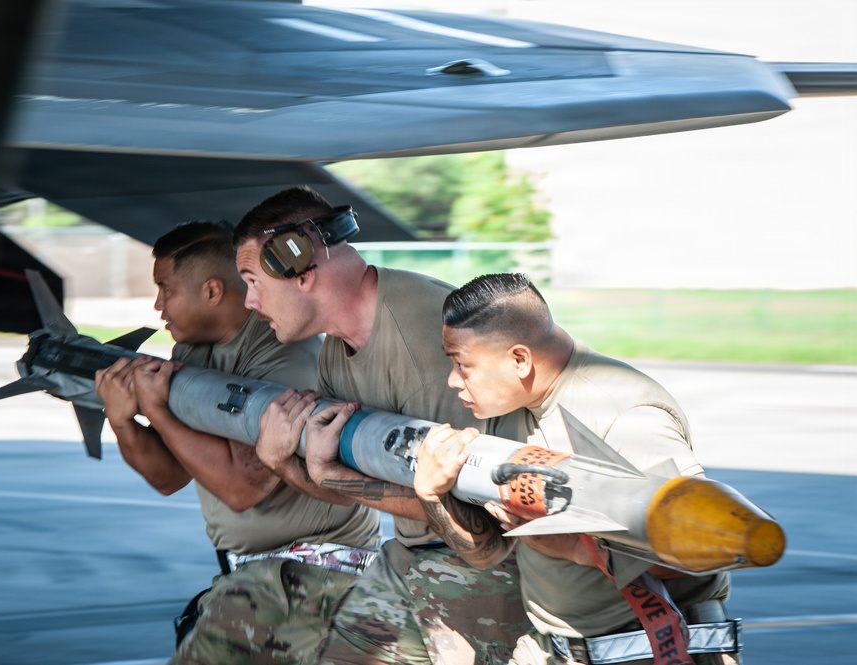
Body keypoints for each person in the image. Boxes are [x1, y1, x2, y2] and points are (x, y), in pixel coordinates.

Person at [233, 187, 532, 665]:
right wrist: (285, 463)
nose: (249, 301)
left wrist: (330, 475)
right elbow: (353, 487)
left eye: (253, 281)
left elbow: (472, 516)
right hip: (416, 550)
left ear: (300, 270)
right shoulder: (337, 349)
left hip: (490, 560)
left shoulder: (427, 338)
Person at [412, 272, 741, 665]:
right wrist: (432, 494)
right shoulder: (510, 407)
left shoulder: (623, 413)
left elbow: (702, 548)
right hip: (553, 647)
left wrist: (575, 547)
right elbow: (487, 553)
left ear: (519, 360)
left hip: (653, 647)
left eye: (462, 364)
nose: (453, 380)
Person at [94, 220, 380, 665]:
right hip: (256, 575)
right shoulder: (192, 352)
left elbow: (242, 489)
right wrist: (123, 420)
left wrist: (157, 412)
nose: (157, 304)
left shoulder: (283, 356)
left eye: (166, 289)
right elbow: (168, 477)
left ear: (211, 291)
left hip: (313, 572)